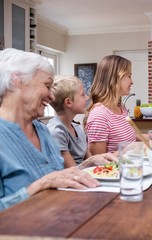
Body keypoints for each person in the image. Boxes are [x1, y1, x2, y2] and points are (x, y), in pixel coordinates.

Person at [0, 48, 111, 211]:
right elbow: (50, 180)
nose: (52, 97)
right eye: (47, 85)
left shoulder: (43, 131)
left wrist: (88, 163)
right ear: (18, 80)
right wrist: (41, 184)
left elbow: (60, 177)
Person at [47, 75, 117, 168]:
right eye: (83, 94)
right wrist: (92, 161)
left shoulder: (78, 128)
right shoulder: (56, 132)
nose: (87, 98)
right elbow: (72, 171)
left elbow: (93, 164)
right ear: (68, 102)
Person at [85, 55, 136, 154]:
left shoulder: (120, 108)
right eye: (129, 76)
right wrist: (133, 148)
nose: (132, 81)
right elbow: (97, 162)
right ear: (116, 78)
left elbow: (132, 137)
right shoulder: (99, 115)